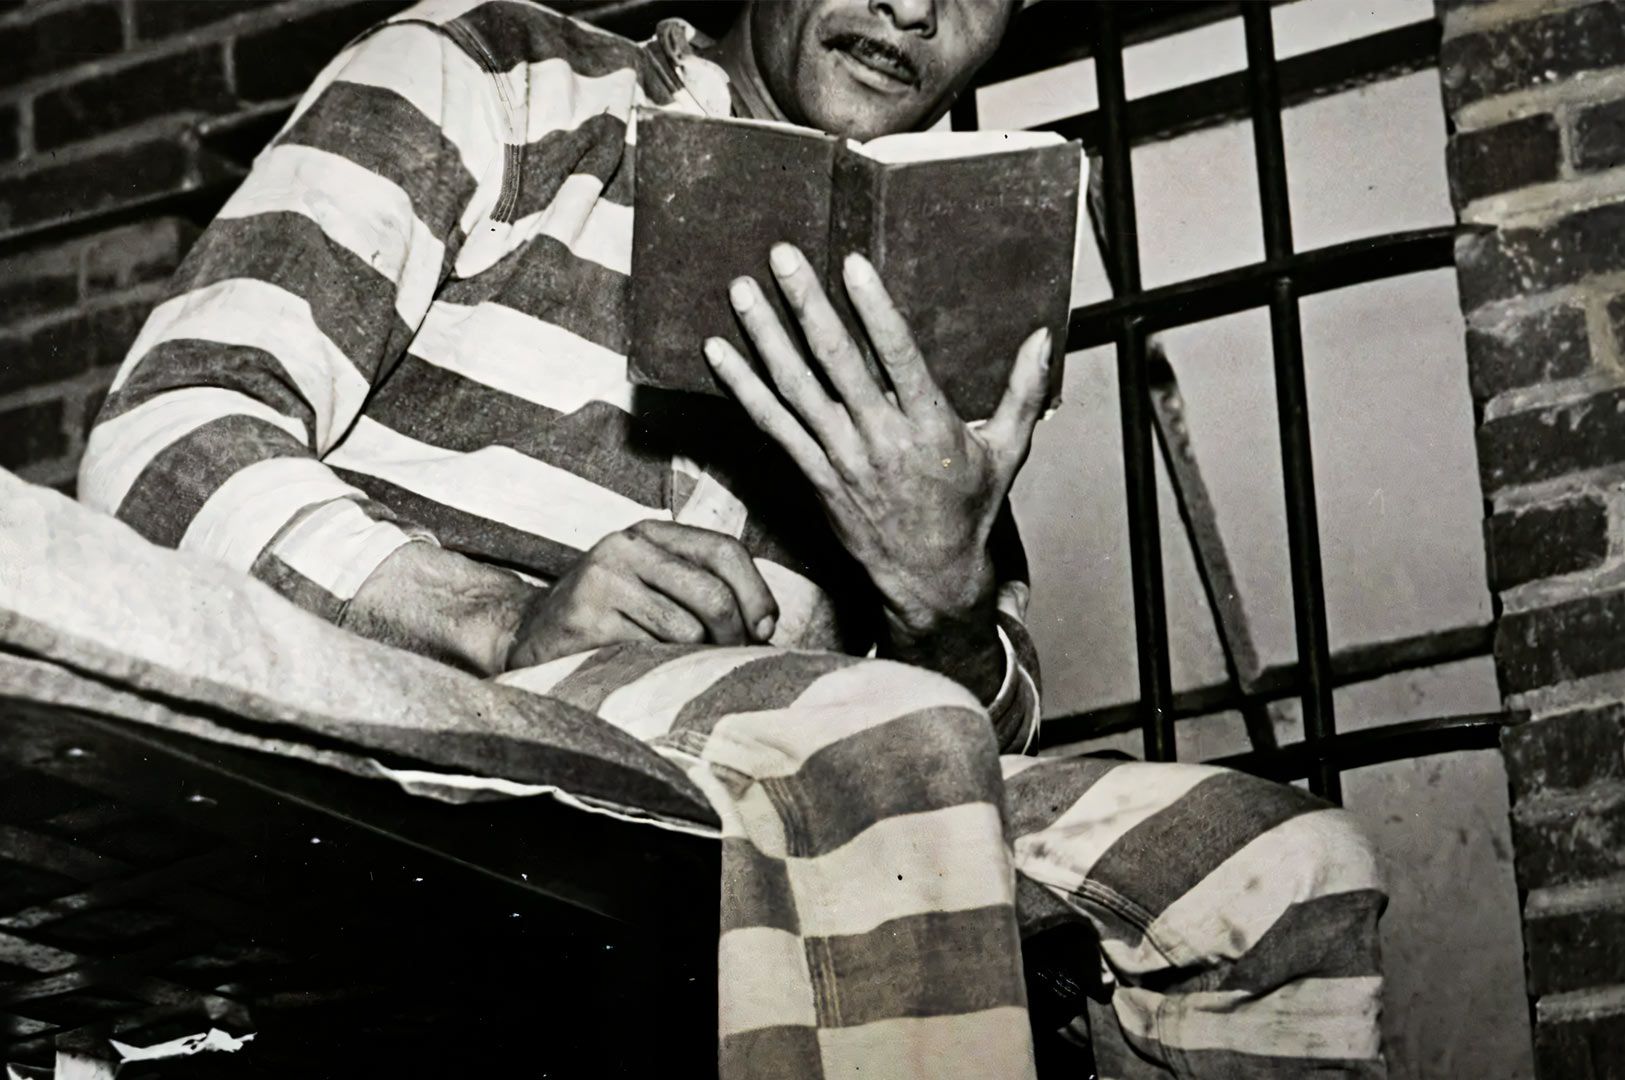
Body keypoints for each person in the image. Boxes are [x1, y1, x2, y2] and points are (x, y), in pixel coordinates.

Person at [79, 1, 1389, 1075]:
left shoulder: (934, 266)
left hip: (776, 779)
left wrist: (941, 602)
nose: (912, 9)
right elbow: (161, 439)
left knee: (1281, 864)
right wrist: (491, 616)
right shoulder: (490, 75)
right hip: (427, 751)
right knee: (871, 736)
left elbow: (972, 750)